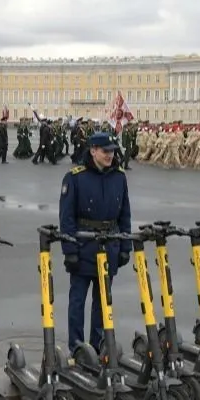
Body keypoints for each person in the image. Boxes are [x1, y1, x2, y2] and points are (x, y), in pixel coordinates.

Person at [58, 131, 132, 354]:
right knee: (78, 302)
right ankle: (78, 348)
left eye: (112, 151)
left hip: (109, 246)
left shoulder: (119, 177)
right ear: (93, 151)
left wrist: (125, 247)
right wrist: (69, 250)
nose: (110, 155)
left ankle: (98, 345)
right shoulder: (75, 177)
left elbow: (125, 214)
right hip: (84, 247)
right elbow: (67, 218)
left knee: (103, 303)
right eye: (105, 151)